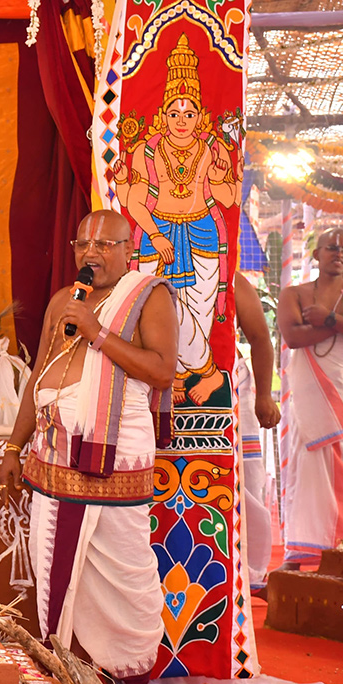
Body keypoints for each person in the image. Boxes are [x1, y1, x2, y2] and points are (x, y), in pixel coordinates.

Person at [0, 210, 178, 684]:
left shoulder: (149, 295)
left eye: (103, 245)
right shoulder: (64, 302)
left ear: (128, 249)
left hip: (116, 458)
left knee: (127, 573)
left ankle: (137, 681)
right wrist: (14, 446)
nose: (90, 254)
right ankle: (69, 669)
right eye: (82, 245)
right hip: (54, 459)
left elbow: (163, 371)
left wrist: (98, 333)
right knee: (54, 565)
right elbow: (40, 375)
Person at [122, 34, 241, 407]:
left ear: (201, 116)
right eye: (174, 113)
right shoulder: (147, 150)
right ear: (162, 116)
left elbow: (228, 199)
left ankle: (196, 373)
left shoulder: (211, 148)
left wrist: (221, 175)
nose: (181, 121)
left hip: (202, 232)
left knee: (199, 314)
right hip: (159, 238)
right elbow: (135, 202)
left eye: (189, 114)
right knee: (158, 311)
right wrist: (156, 236)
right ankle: (200, 372)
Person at [277, 227, 343, 569]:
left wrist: (327, 318)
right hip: (310, 396)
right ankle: (301, 553)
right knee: (308, 470)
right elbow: (292, 336)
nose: (338, 253)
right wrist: (339, 325)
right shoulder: (294, 293)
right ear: (316, 255)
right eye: (332, 247)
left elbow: (308, 331)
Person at [233, 272, 280, 591]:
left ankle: (250, 572)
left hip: (229, 386)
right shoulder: (143, 264)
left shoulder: (232, 280)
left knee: (245, 482)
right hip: (167, 390)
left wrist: (264, 395)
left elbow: (261, 337)